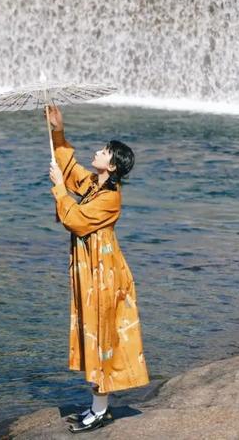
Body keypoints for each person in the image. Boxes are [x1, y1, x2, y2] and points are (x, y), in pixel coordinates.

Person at [47, 104, 149, 434]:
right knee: (95, 332)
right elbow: (70, 168)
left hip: (104, 274)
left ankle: (101, 409)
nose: (97, 151)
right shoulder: (96, 184)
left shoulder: (111, 197)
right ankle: (97, 406)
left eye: (104, 151)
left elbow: (75, 221)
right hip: (93, 269)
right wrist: (58, 130)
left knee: (102, 333)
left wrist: (60, 190)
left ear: (113, 164)